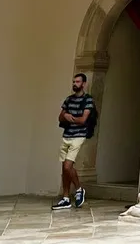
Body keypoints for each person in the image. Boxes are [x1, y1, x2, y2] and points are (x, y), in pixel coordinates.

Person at [53, 73, 95, 210]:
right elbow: (60, 117)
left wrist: (70, 117)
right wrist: (67, 116)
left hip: (79, 136)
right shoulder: (69, 99)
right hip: (67, 135)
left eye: (77, 82)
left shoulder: (88, 100)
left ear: (83, 84)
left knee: (67, 166)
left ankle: (79, 189)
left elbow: (83, 120)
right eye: (73, 81)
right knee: (64, 168)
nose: (74, 84)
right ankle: (65, 198)